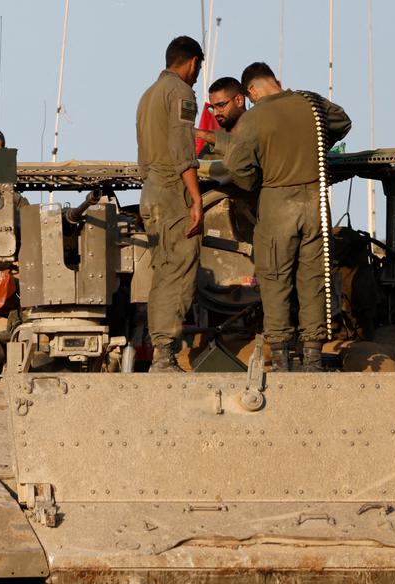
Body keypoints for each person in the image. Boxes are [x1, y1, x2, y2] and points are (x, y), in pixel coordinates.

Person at [224, 63, 351, 371]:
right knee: (314, 280)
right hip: (315, 202)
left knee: (275, 279)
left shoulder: (254, 117)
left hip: (277, 201)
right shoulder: (312, 103)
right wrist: (317, 146)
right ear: (276, 81)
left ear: (251, 91)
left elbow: (237, 167)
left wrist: (257, 184)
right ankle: (312, 357)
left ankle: (281, 357)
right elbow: (343, 121)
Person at [136, 35, 205, 372]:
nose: (198, 76)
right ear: (192, 62)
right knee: (178, 271)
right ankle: (165, 354)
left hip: (150, 192)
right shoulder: (180, 92)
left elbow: (143, 157)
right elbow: (183, 151)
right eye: (198, 68)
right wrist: (195, 199)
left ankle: (160, 351)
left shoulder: (147, 95)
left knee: (163, 272)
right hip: (170, 191)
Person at [197, 76, 246, 158]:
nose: (215, 113)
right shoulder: (209, 147)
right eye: (212, 108)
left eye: (221, 105)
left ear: (239, 100)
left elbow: (246, 150)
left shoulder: (261, 128)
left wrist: (203, 134)